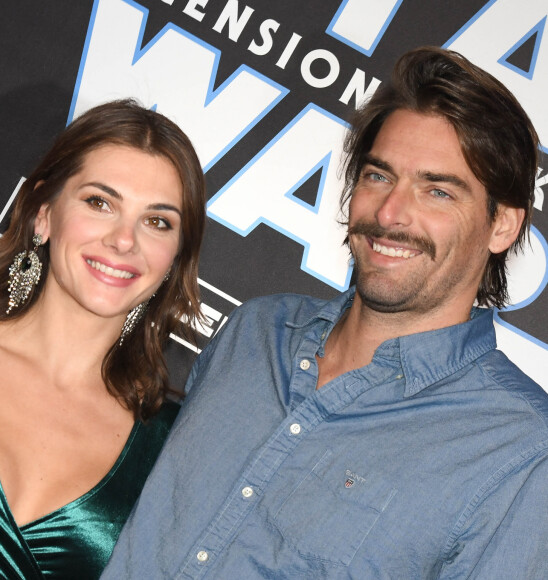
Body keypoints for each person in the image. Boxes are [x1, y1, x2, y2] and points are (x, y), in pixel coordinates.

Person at [102, 48, 548, 579]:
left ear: (503, 226)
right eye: (378, 177)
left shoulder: (521, 450)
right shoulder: (258, 330)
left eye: (437, 190)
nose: (389, 213)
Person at [0, 99, 206, 579]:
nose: (124, 240)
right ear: (42, 213)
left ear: (174, 260)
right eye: (100, 202)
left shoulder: (173, 446)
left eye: (158, 221)